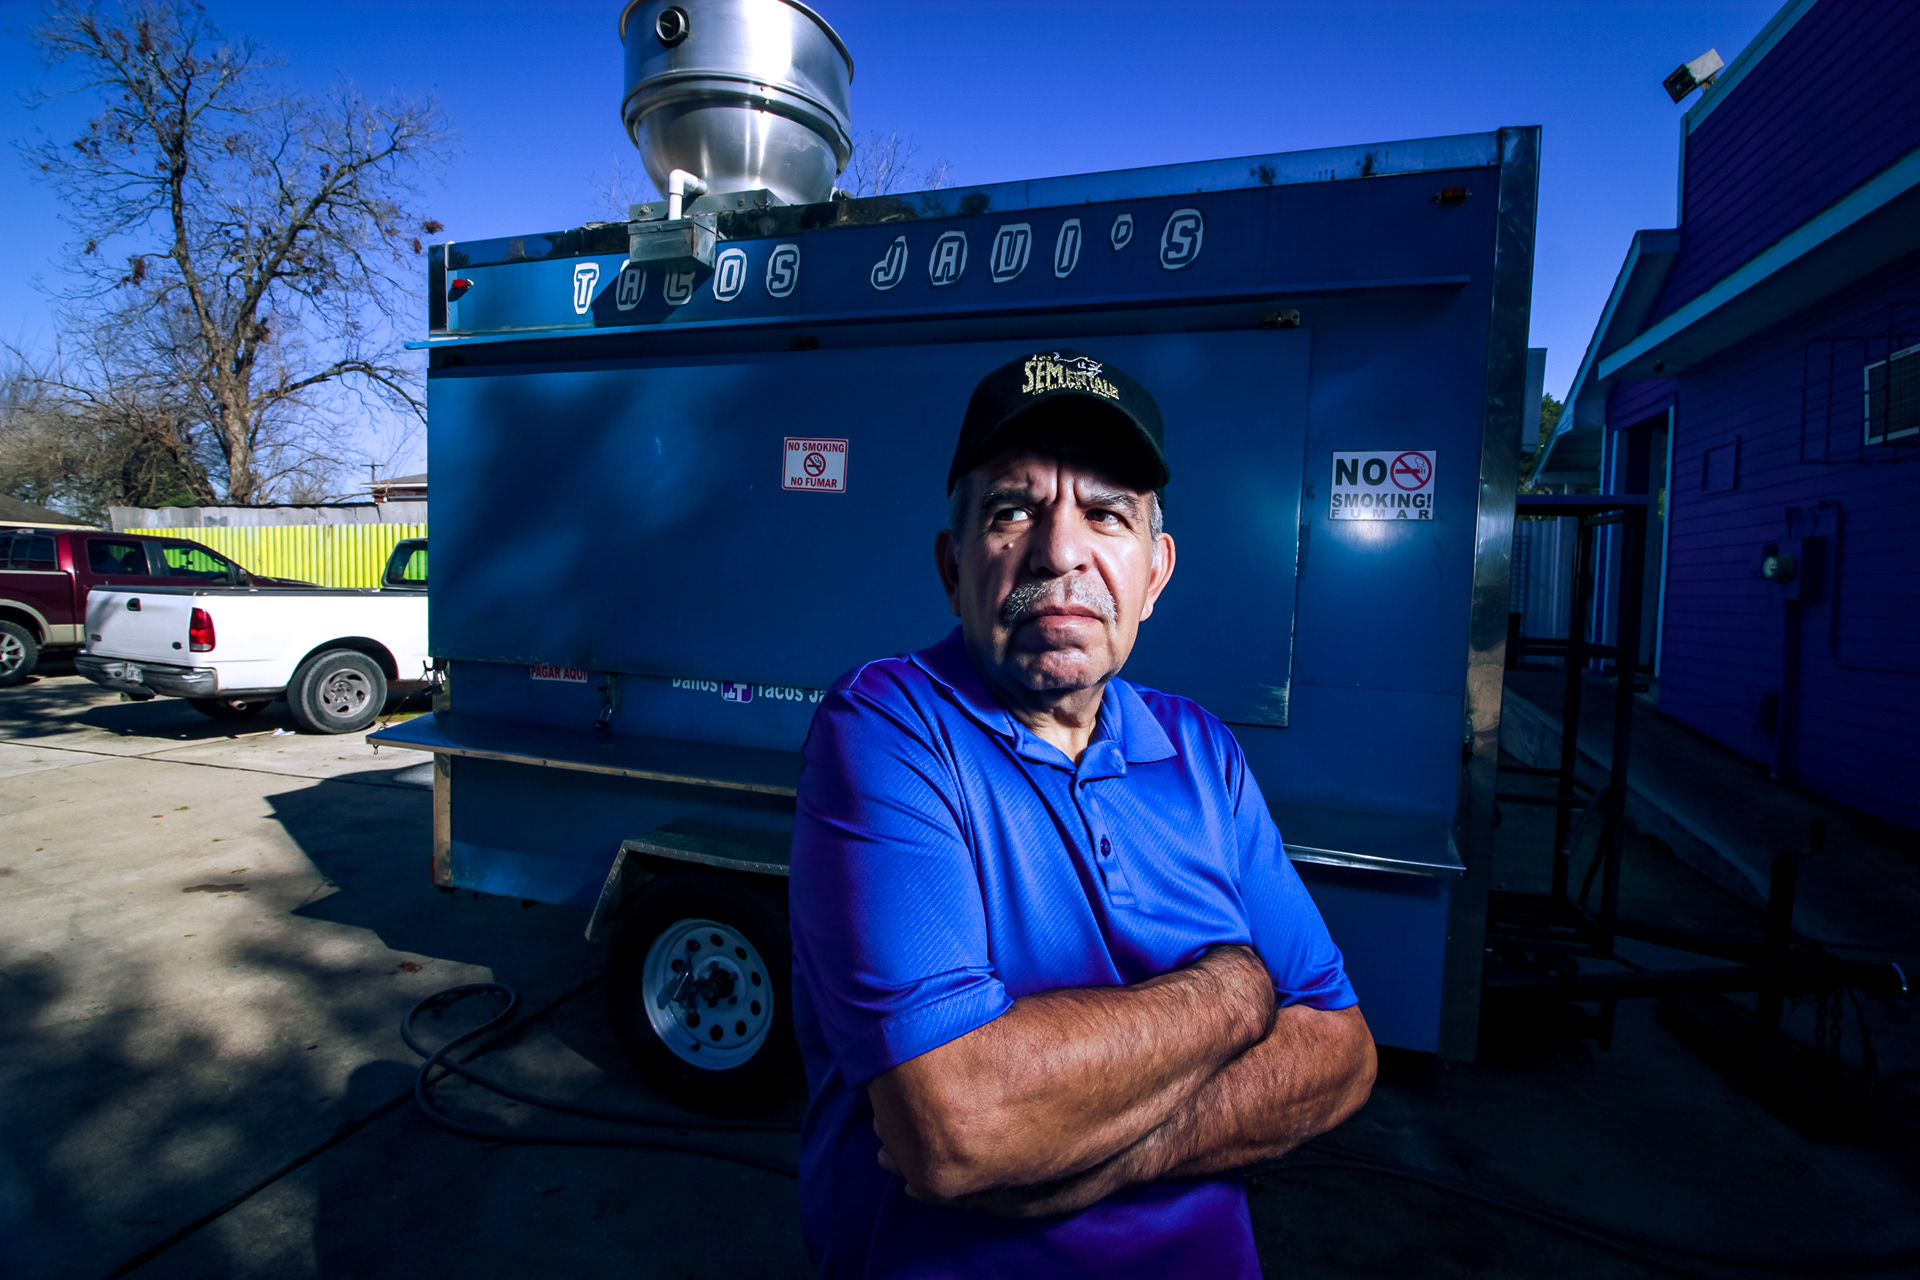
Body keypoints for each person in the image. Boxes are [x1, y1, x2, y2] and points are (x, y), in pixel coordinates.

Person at [788, 348, 1376, 1278]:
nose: (1060, 553)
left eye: (1106, 514)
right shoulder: (888, 725)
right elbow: (957, 1126)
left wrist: (1091, 1160)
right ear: (952, 566)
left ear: (1155, 573)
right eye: (1012, 511)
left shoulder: (1204, 752)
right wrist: (1234, 993)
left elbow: (1341, 1053)